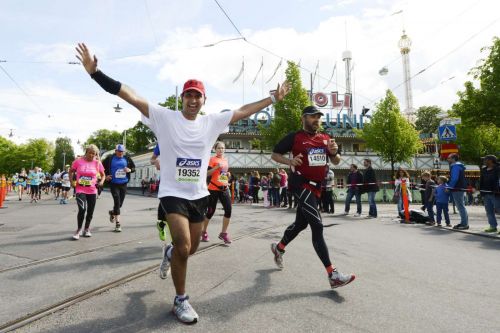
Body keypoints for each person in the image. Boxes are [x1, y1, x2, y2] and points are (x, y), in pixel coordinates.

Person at [76, 42, 290, 324]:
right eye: (188, 95)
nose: (192, 100)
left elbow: (242, 110)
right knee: (183, 243)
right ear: (182, 99)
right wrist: (96, 73)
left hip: (199, 195)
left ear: (204, 100)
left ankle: (168, 253)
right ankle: (181, 300)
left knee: (188, 249)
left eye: (197, 96)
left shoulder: (212, 122)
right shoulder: (165, 117)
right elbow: (130, 95)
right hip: (172, 194)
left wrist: (272, 100)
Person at [270, 105, 355, 289]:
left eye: (318, 117)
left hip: (317, 188)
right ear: (303, 118)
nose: (316, 119)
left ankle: (279, 248)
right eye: (312, 116)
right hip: (300, 184)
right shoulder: (295, 137)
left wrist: (334, 152)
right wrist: (290, 161)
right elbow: (275, 154)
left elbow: (336, 161)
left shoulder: (325, 138)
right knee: (317, 224)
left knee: (301, 223)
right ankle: (332, 274)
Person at [69, 144, 105, 239]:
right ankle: (78, 230)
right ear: (86, 152)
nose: (92, 155)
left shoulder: (97, 163)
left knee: (90, 211)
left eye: (94, 154)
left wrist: (101, 182)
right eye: (90, 153)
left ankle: (87, 229)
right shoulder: (78, 161)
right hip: (80, 189)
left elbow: (103, 175)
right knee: (82, 209)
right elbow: (71, 171)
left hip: (92, 190)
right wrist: (72, 182)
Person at [202, 141, 233, 244]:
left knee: (228, 210)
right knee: (210, 212)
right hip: (213, 189)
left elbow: (222, 174)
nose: (221, 150)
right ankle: (204, 232)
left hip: (224, 188)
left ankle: (223, 233)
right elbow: (207, 174)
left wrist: (228, 175)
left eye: (223, 148)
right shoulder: (212, 159)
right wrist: (216, 167)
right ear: (215, 149)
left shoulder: (225, 160)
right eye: (219, 148)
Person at [102, 144, 136, 232]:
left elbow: (133, 168)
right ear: (115, 151)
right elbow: (101, 168)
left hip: (123, 183)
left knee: (120, 204)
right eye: (119, 151)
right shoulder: (110, 158)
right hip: (114, 183)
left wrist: (130, 170)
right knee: (117, 202)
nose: (121, 153)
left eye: (122, 151)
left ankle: (112, 212)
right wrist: (105, 176)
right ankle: (118, 224)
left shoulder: (127, 158)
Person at [446, 153, 469, 230]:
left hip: (457, 188)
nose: (447, 159)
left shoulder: (455, 166)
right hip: (459, 188)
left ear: (453, 159)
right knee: (461, 206)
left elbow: (454, 178)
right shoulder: (458, 166)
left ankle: (464, 224)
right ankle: (464, 223)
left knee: (460, 207)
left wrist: (449, 187)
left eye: (449, 158)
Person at [479, 155, 500, 233]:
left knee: (499, 209)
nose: (484, 161)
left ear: (490, 160)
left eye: (485, 159)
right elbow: (481, 180)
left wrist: (498, 189)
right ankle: (493, 226)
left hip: (496, 193)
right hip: (485, 193)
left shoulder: (498, 169)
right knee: (489, 211)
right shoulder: (484, 169)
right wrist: (480, 189)